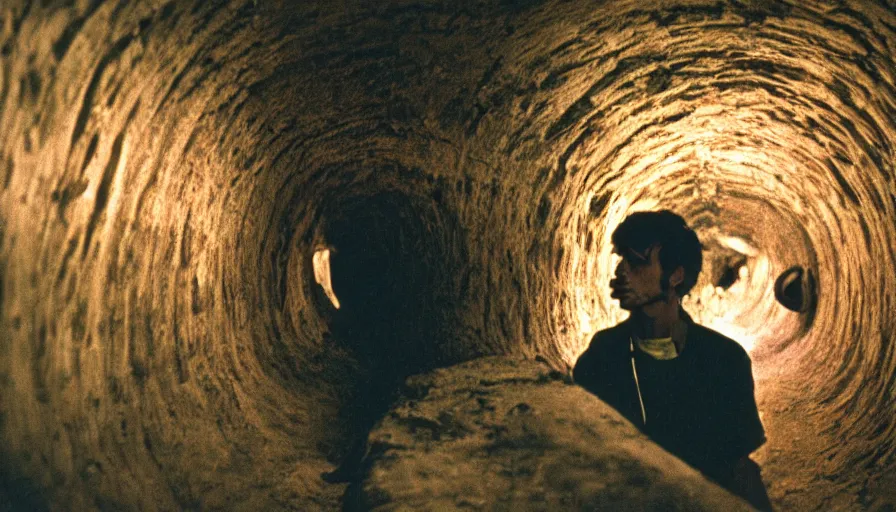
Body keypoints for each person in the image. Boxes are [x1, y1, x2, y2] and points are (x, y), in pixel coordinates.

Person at [573, 210, 773, 510]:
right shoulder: (603, 355)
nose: (621, 272)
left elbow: (737, 469)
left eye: (638, 262)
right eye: (621, 260)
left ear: (676, 276)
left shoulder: (724, 362)